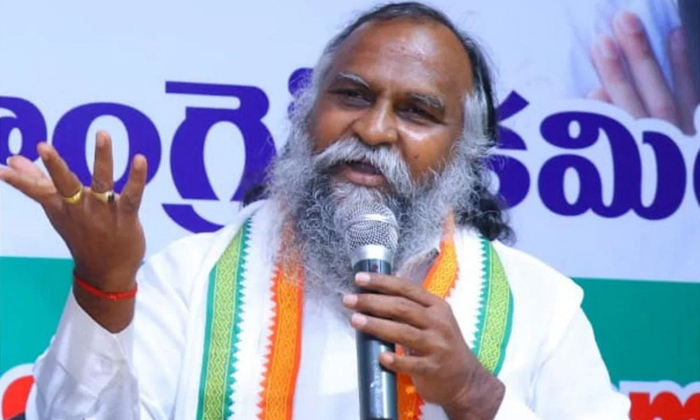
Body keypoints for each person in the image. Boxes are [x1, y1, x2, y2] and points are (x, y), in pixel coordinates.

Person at [0, 3, 631, 419]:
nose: (374, 130)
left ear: (464, 149)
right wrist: (104, 286)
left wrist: (474, 393)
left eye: (416, 111)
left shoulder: (542, 308)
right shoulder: (192, 277)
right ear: (306, 113)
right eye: (352, 96)